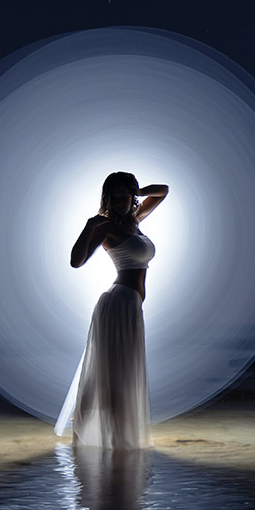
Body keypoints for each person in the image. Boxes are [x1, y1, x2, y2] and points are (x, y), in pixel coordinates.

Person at [60, 171, 169, 448]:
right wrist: (89, 225)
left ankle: (120, 439)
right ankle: (114, 442)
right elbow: (76, 261)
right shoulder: (106, 227)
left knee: (123, 372)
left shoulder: (134, 221)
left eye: (126, 196)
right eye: (115, 197)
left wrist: (138, 190)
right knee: (116, 376)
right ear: (107, 198)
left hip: (131, 306)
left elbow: (163, 190)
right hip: (118, 305)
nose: (121, 202)